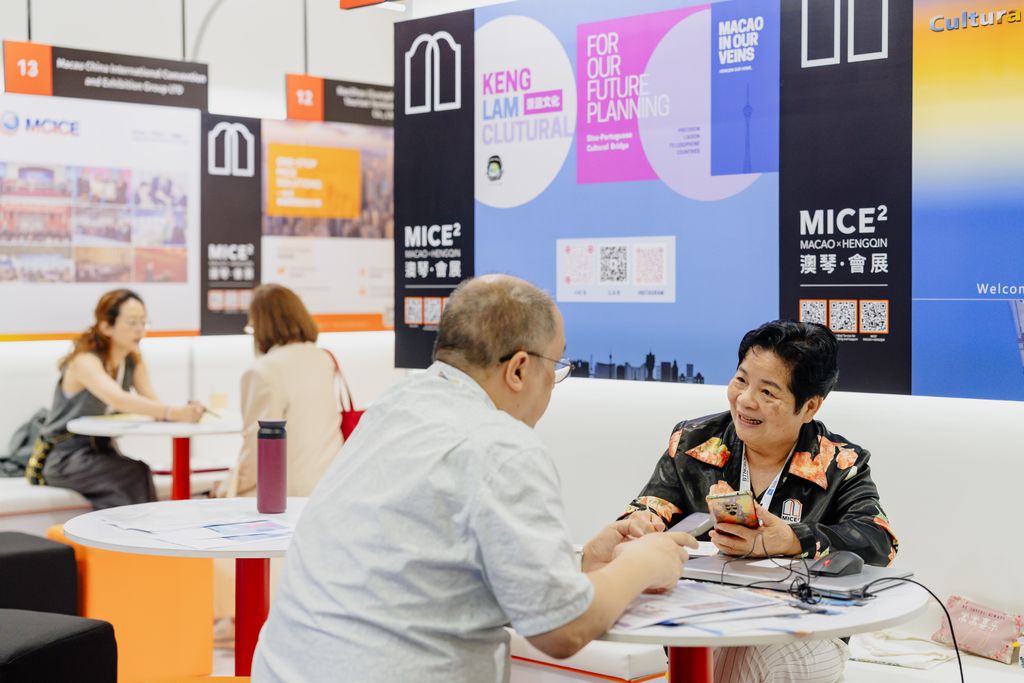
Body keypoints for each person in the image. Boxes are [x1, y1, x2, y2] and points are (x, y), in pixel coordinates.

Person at [252, 275, 698, 683]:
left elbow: (437, 566)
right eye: (555, 366)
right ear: (519, 369)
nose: (553, 383)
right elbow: (562, 629)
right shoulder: (502, 445)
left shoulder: (396, 405)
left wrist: (580, 563)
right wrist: (641, 564)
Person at [620, 320, 898, 682]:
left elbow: (879, 541)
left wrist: (792, 539)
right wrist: (639, 525)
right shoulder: (694, 441)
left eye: (768, 392)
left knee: (746, 657)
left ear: (809, 406)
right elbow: (652, 505)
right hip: (702, 618)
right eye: (741, 380)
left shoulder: (839, 463)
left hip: (806, 629)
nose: (745, 400)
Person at [27, 289, 204, 509]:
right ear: (106, 327)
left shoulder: (133, 361)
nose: (140, 329)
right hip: (63, 457)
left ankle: (134, 528)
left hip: (102, 453)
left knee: (135, 472)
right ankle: (138, 529)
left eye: (143, 322)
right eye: (132, 322)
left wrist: (181, 412)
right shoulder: (84, 361)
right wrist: (173, 412)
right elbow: (118, 399)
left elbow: (154, 404)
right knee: (134, 473)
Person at [219, 283, 343, 498]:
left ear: (259, 325)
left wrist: (225, 489)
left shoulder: (262, 371)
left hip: (282, 495)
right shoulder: (323, 359)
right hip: (330, 485)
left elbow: (257, 452)